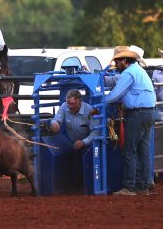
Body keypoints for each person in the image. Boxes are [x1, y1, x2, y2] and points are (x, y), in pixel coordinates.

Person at [105, 47, 156, 196]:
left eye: (117, 61)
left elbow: (115, 95)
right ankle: (144, 186)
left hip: (137, 114)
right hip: (149, 112)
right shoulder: (138, 71)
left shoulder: (129, 73)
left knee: (129, 151)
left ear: (124, 61)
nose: (116, 64)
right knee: (144, 151)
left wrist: (100, 102)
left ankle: (129, 187)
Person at [50, 89, 99, 191]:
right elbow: (56, 119)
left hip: (88, 145)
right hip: (71, 142)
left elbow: (96, 132)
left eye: (72, 104)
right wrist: (54, 123)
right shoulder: (64, 106)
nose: (70, 107)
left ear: (79, 101)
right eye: (68, 103)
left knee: (82, 160)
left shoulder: (92, 110)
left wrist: (84, 142)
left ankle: (82, 187)